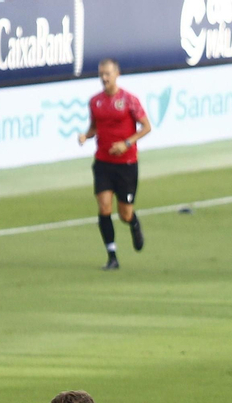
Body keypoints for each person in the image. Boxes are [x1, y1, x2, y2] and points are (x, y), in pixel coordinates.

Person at [79, 59, 150, 271]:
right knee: (104, 207)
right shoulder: (95, 102)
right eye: (101, 74)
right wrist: (86, 135)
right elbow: (94, 127)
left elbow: (146, 127)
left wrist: (126, 143)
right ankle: (112, 256)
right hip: (103, 163)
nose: (104, 78)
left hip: (126, 164)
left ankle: (134, 224)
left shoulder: (129, 100)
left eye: (108, 73)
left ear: (117, 73)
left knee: (125, 214)